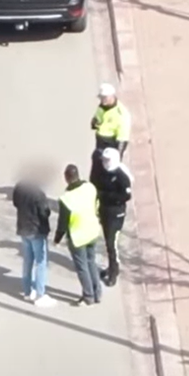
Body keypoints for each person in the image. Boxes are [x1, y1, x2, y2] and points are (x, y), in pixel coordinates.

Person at [54, 163, 103, 305]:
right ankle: (97, 292)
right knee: (91, 262)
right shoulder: (90, 187)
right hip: (92, 231)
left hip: (78, 236)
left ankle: (88, 296)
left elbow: (62, 223)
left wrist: (57, 239)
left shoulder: (66, 198)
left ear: (66, 178)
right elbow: (97, 204)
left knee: (82, 268)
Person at [12, 167, 55, 306]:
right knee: (41, 262)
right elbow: (44, 213)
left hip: (23, 228)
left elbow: (15, 203)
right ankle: (40, 294)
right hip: (36, 230)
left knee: (27, 261)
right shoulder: (38, 194)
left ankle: (27, 291)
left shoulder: (19, 188)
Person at [90, 147, 133, 287]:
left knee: (111, 243)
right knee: (108, 240)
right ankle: (112, 266)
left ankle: (113, 271)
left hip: (116, 212)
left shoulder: (121, 176)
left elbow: (126, 195)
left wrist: (107, 196)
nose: (105, 162)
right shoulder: (103, 171)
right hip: (104, 209)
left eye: (107, 160)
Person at [90, 83, 131, 155]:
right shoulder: (102, 106)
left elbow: (123, 139)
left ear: (112, 96)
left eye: (105, 98)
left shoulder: (121, 114)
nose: (102, 100)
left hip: (110, 145)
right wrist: (94, 122)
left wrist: (118, 155)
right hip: (99, 144)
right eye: (101, 98)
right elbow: (97, 120)